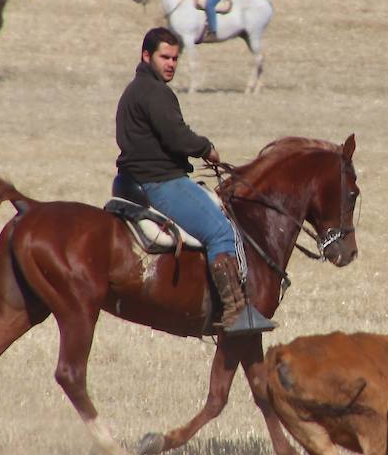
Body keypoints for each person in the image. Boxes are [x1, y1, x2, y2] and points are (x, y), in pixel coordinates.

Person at [115, 27, 272, 334]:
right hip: (161, 182)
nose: (171, 63)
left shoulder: (136, 89)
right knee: (221, 231)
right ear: (146, 56)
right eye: (165, 57)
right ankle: (233, 312)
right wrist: (205, 148)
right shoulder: (155, 92)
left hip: (139, 179)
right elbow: (176, 135)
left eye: (175, 58)